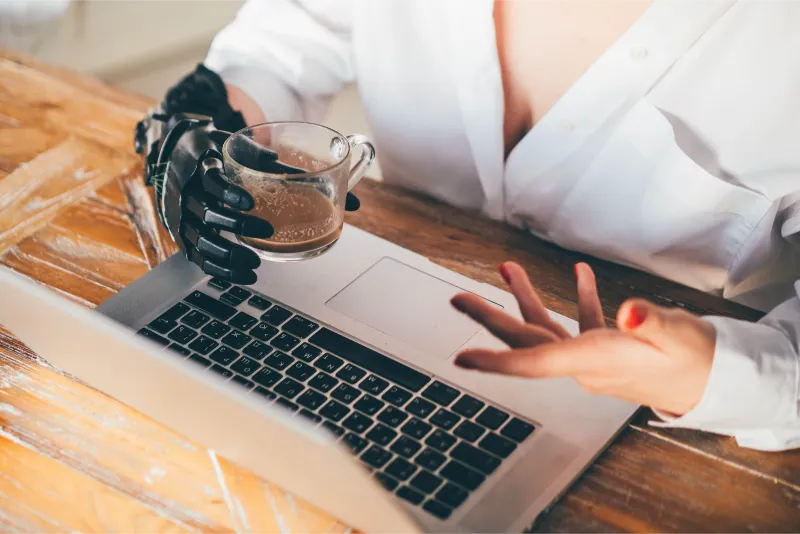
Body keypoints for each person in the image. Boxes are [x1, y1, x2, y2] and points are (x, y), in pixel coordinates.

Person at [141, 0, 800, 451]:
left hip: (658, 434)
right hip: (356, 327)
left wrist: (720, 377)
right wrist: (213, 128)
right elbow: (284, 46)